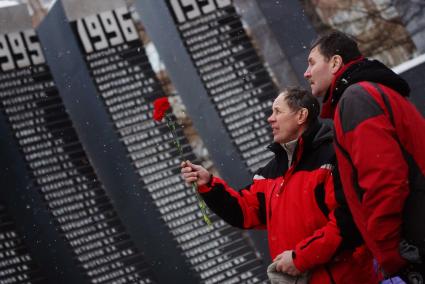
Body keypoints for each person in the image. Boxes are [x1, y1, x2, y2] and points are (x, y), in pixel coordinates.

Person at [181, 88, 378, 283]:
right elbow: (243, 211)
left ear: (301, 115)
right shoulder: (271, 171)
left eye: (278, 111)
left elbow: (348, 224)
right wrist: (208, 184)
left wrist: (300, 259)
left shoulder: (333, 157)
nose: (270, 119)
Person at [304, 30, 425, 281]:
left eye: (312, 63)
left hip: (414, 247)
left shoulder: (356, 99)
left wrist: (390, 250)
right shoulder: (369, 92)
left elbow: (384, 180)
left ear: (335, 63)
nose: (306, 73)